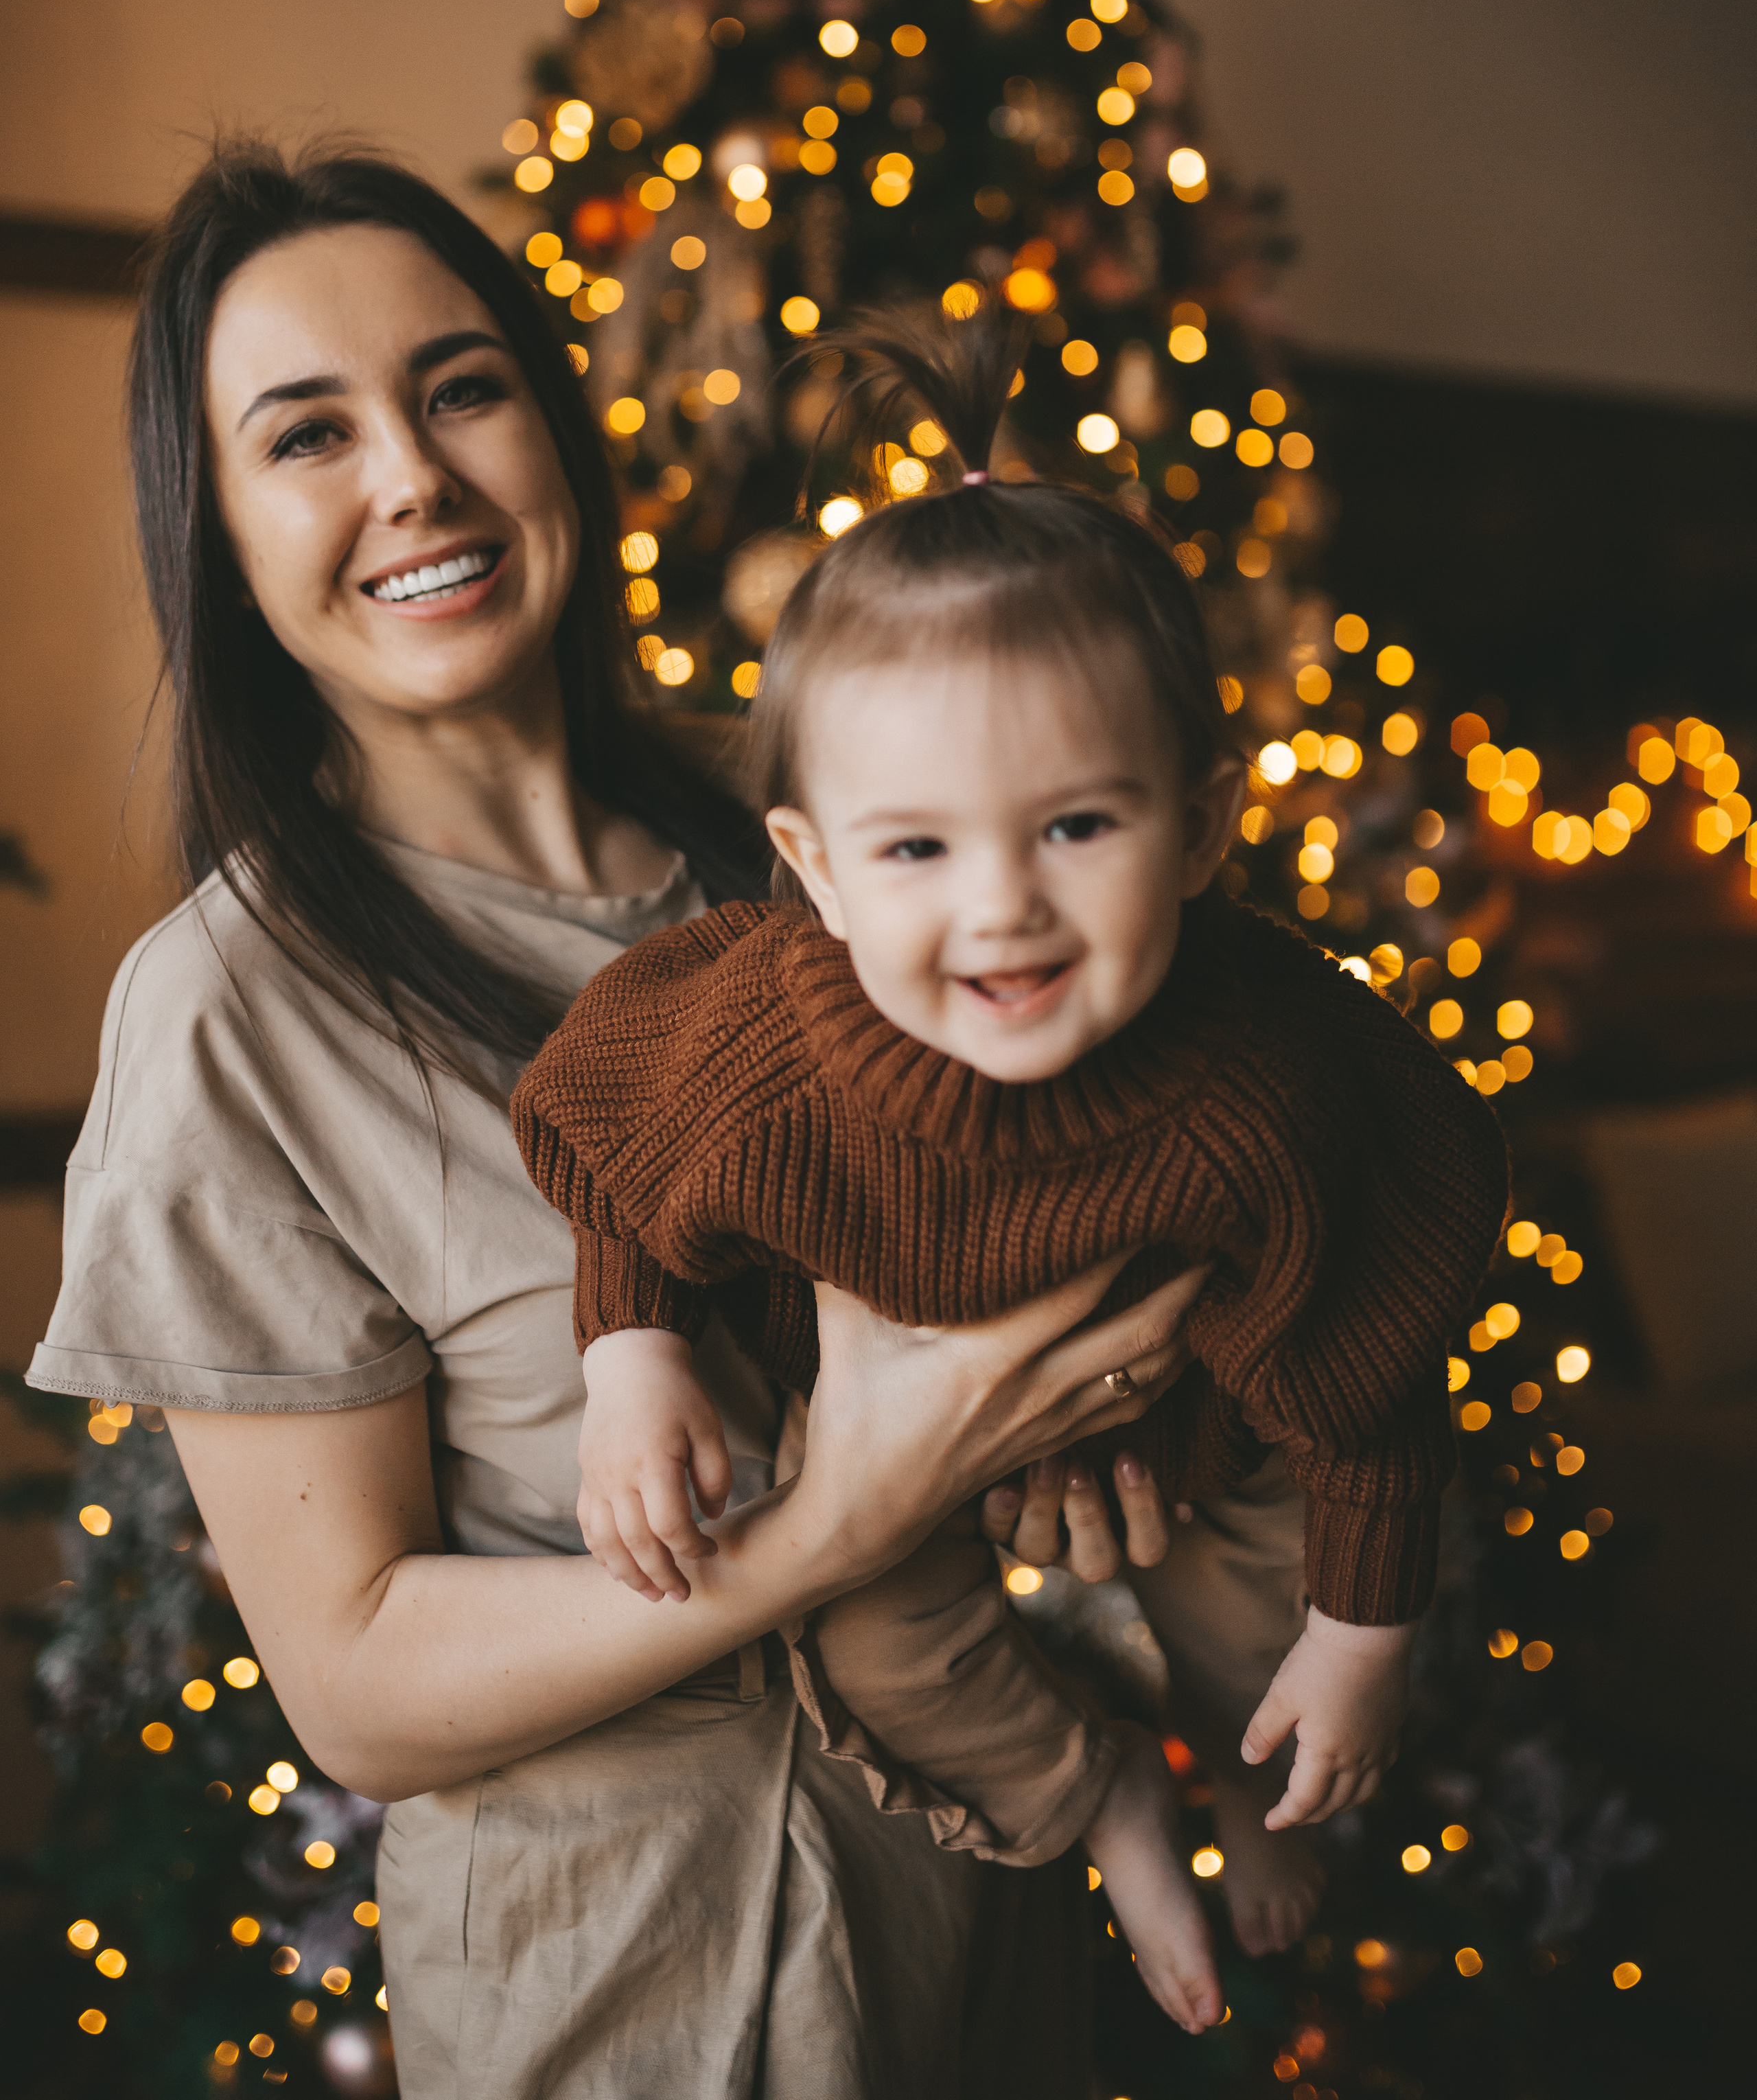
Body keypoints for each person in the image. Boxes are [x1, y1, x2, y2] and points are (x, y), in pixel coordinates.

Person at [25, 146, 1206, 2100]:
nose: (412, 475)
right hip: (626, 1987)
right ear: (221, 536)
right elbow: (360, 1682)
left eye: (462, 386)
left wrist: (1080, 1437)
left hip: (980, 1912)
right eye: (307, 436)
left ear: (557, 433)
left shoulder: (815, 848)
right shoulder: (231, 1015)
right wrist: (844, 1517)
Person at [511, 312, 1512, 2021]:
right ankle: (1104, 1786)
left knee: (1262, 1610)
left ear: (1196, 830)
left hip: (1207, 1426)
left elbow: (1362, 1365)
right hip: (901, 1454)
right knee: (878, 1645)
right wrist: (632, 1357)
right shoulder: (767, 1049)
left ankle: (1226, 1767)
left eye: (1074, 826)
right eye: (915, 847)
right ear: (812, 872)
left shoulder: (1254, 1083)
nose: (1001, 909)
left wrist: (1362, 1633)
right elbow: (620, 1151)